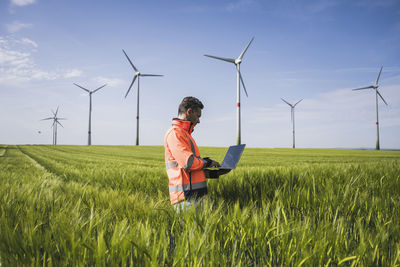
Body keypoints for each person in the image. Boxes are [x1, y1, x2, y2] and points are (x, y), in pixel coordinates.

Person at [164, 96, 230, 211]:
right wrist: (209, 162)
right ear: (189, 112)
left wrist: (216, 173)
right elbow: (189, 163)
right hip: (186, 199)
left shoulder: (185, 134)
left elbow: (193, 171)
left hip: (195, 197)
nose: (199, 121)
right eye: (198, 116)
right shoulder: (175, 133)